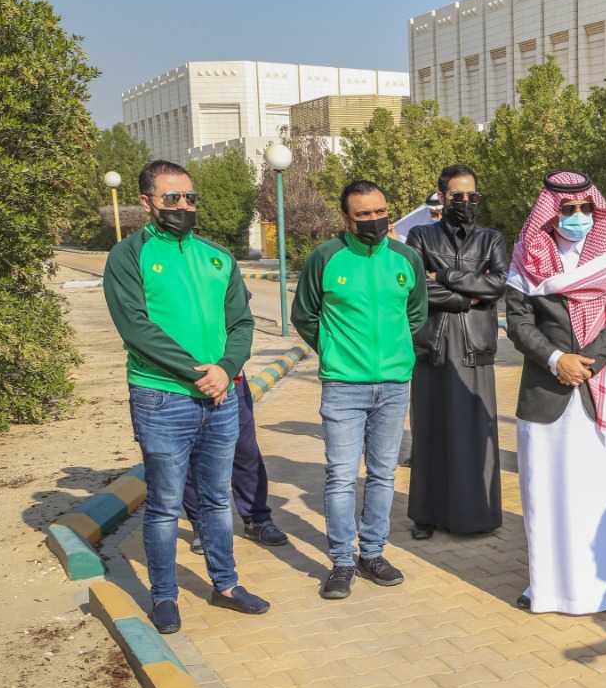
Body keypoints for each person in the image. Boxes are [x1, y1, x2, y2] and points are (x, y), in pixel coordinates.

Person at [102, 160, 269, 634]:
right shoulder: (127, 256)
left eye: (189, 198)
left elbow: (241, 324)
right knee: (164, 503)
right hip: (162, 398)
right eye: (171, 198)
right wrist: (202, 373)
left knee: (217, 500)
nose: (183, 206)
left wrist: (227, 369)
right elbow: (136, 328)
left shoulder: (217, 256)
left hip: (221, 396)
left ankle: (227, 585)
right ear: (147, 202)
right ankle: (164, 596)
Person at [505, 170, 606, 615]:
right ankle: (550, 588)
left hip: (601, 388)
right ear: (551, 212)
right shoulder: (527, 255)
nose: (579, 216)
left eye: (586, 209)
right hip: (547, 391)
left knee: (603, 490)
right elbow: (518, 321)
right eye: (568, 210)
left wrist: (588, 362)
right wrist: (555, 360)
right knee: (548, 493)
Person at [292, 180, 428, 600]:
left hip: (393, 386)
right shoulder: (325, 258)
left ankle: (373, 553)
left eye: (379, 212)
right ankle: (342, 561)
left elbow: (417, 314)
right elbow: (305, 314)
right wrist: (334, 352)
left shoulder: (406, 258)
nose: (373, 220)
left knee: (383, 474)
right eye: (363, 215)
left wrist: (396, 354)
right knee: (341, 477)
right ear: (346, 217)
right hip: (343, 387)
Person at [405, 165, 508, 539]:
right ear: (442, 196)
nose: (465, 202)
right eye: (457, 195)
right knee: (430, 430)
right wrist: (468, 298)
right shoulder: (420, 235)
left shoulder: (492, 240)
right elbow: (415, 289)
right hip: (432, 346)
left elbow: (498, 285)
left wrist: (444, 276)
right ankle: (425, 515)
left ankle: (476, 515)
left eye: (472, 196)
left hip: (475, 346)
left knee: (475, 430)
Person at [184, 367, 288, 555]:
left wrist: (228, 366)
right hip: (180, 382)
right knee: (192, 454)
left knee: (245, 450)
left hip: (231, 378)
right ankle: (201, 526)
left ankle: (256, 519)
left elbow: (241, 337)